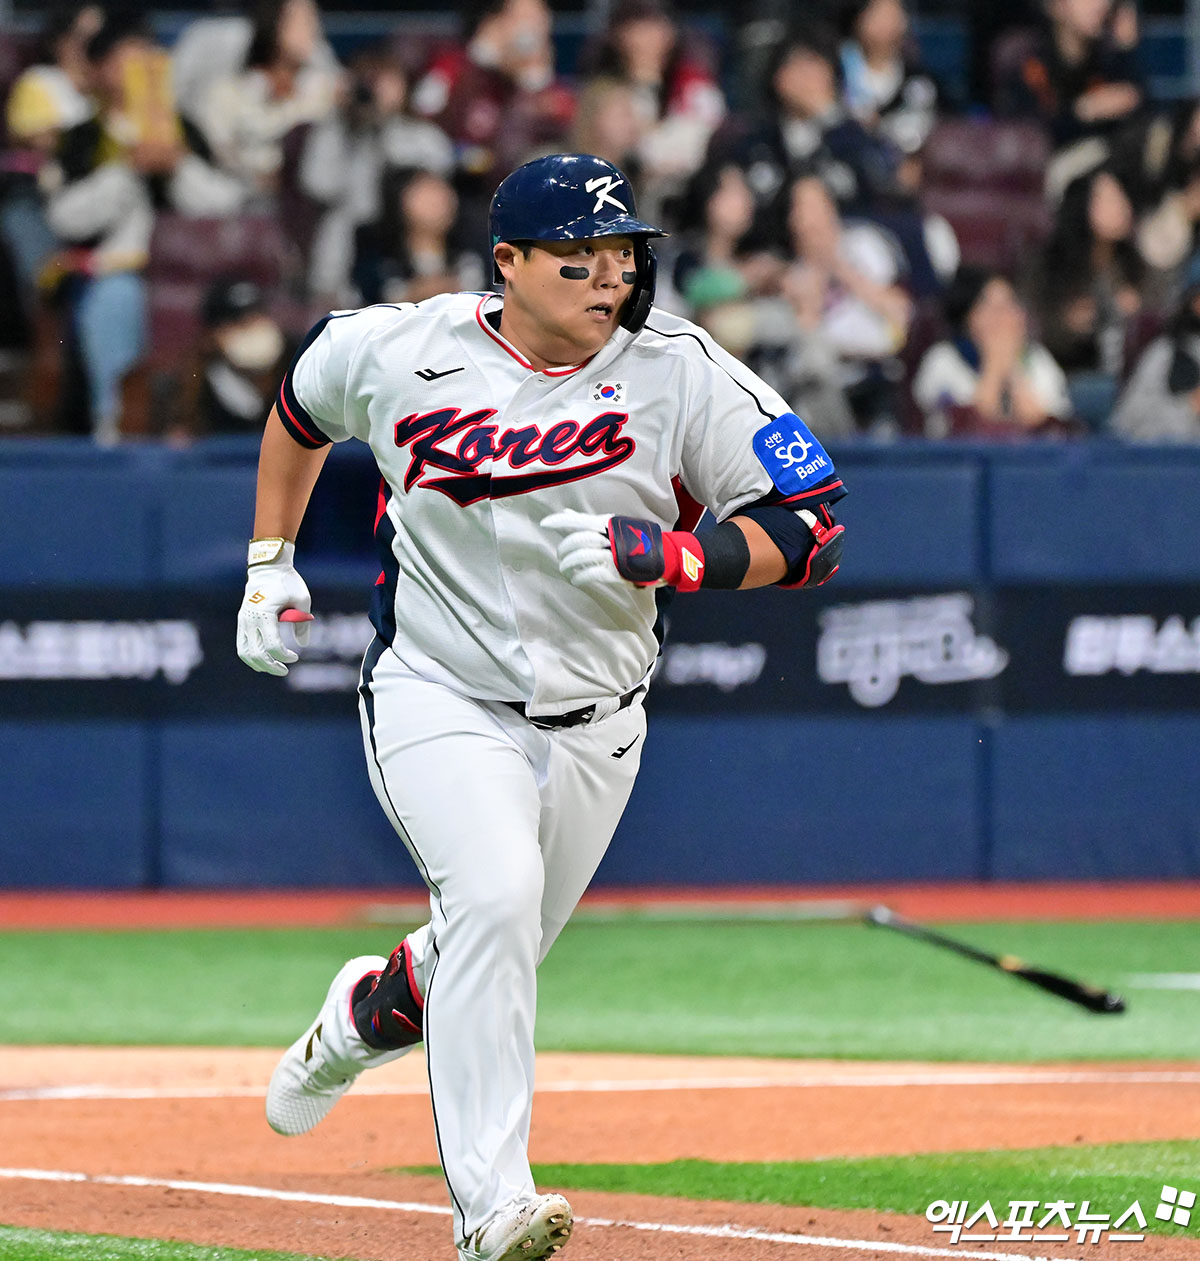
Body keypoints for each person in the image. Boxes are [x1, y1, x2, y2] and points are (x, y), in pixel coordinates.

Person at [237, 152, 846, 1261]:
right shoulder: (403, 348)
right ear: (507, 262)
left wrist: (675, 555)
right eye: (580, 257)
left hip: (600, 721)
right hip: (438, 690)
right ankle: (492, 1205)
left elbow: (813, 526)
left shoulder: (678, 372)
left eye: (623, 254)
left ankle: (366, 1012)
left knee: (485, 942)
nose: (610, 277)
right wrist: (269, 561)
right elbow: (300, 404)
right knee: (498, 893)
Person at [913, 264, 1072, 437]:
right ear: (968, 315)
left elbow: (1045, 423)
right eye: (990, 307)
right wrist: (994, 363)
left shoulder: (1035, 357)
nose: (1002, 317)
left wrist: (1014, 369)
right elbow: (971, 426)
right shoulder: (943, 359)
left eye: (1009, 305)